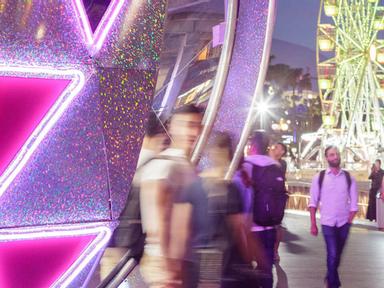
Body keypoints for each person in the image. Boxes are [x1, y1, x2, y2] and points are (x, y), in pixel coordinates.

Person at [139, 104, 204, 288]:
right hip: (163, 262)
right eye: (186, 124)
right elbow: (156, 218)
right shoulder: (164, 164)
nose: (190, 131)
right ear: (172, 127)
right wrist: (167, 266)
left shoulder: (188, 167)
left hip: (182, 261)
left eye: (195, 125)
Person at [309, 146, 358, 288]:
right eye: (332, 155)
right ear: (327, 158)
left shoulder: (349, 178)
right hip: (327, 223)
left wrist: (349, 221)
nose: (335, 156)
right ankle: (333, 284)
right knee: (332, 253)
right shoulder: (320, 177)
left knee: (337, 256)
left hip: (344, 223)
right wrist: (313, 223)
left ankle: (330, 277)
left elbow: (354, 204)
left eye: (337, 154)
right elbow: (313, 202)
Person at [241, 131, 284, 288]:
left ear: (252, 145)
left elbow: (245, 194)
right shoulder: (275, 165)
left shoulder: (246, 164)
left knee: (246, 266)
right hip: (271, 225)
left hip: (251, 226)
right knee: (266, 267)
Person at [269, 142, 288, 263]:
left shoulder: (281, 163)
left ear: (282, 152)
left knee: (277, 226)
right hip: (265, 198)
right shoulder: (267, 160)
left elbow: (277, 171)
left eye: (277, 147)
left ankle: (275, 251)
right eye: (273, 146)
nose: (274, 148)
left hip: (277, 198)